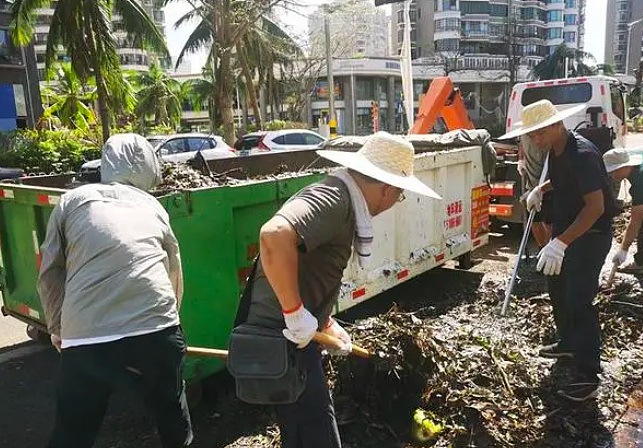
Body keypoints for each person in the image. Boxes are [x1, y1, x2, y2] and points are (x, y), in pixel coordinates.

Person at [243, 132, 440, 448]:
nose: (394, 203)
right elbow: (274, 236)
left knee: (301, 434)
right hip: (285, 339)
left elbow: (312, 269)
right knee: (318, 434)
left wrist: (325, 323)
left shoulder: (345, 201)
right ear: (388, 188)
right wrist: (294, 314)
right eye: (399, 196)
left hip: (297, 338)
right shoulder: (335, 199)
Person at [38, 134, 192, 448]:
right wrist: (169, 327)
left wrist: (57, 328)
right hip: (156, 331)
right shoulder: (153, 205)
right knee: (172, 419)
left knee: (73, 432)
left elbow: (50, 271)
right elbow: (173, 270)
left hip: (87, 339)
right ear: (151, 168)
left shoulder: (73, 200)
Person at [500, 100, 616, 402]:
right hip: (567, 233)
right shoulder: (557, 150)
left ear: (555, 125)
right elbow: (562, 180)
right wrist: (541, 190)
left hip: (590, 236)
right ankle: (567, 341)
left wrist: (561, 242)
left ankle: (588, 374)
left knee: (579, 299)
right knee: (556, 285)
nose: (535, 141)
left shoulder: (584, 155)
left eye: (538, 134)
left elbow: (595, 207)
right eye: (531, 136)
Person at [603, 148, 643, 273]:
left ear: (624, 167)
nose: (611, 175)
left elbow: (635, 220)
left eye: (613, 171)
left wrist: (623, 249)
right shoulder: (633, 156)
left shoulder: (639, 182)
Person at [518, 134, 552, 248]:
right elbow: (521, 144)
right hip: (532, 184)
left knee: (550, 219)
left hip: (548, 184)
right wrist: (521, 159)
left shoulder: (545, 135)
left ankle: (549, 247)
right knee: (533, 217)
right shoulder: (524, 135)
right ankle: (542, 248)